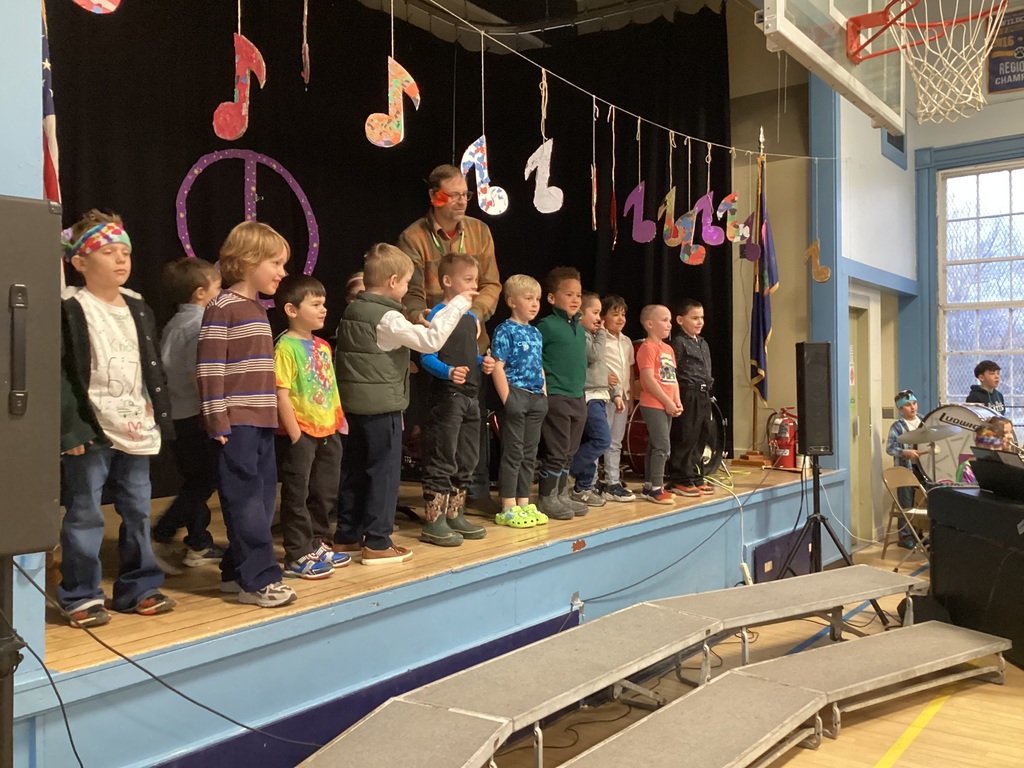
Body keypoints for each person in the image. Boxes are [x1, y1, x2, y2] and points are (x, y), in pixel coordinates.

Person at [59, 209, 176, 627]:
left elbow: (150, 365)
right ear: (80, 261)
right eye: (108, 252)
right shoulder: (71, 307)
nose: (121, 259)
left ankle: (138, 588)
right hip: (92, 429)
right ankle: (81, 593)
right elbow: (59, 371)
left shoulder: (138, 306)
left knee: (138, 509)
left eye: (125, 251)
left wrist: (158, 413)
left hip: (136, 426)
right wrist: (70, 428)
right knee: (85, 512)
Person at [334, 244, 476, 564]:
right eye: (407, 284)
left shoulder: (354, 310)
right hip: (381, 409)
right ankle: (378, 542)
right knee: (383, 475)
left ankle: (347, 535)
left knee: (354, 471)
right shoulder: (387, 317)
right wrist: (458, 303)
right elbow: (431, 341)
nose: (407, 290)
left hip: (353, 408)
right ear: (393, 281)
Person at [197, 221, 295, 609]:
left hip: (260, 420)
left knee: (262, 499)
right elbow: (210, 367)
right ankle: (259, 579)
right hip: (237, 422)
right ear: (249, 260)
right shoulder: (222, 307)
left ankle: (236, 570)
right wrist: (216, 417)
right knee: (247, 502)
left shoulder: (256, 308)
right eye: (276, 263)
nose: (282, 272)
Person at [398, 164, 502, 513]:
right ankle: (437, 502)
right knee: (442, 426)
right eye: (453, 195)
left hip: (471, 341)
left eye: (465, 195)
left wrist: (476, 314)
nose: (461, 201)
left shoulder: (480, 231)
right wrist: (421, 317)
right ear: (434, 196)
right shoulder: (414, 237)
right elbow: (411, 292)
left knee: (474, 420)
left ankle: (473, 492)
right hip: (437, 345)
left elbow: (492, 283)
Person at [152, 257, 225, 571]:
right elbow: (199, 374)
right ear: (200, 293)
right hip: (194, 415)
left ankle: (198, 543)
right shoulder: (198, 324)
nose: (220, 294)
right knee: (205, 479)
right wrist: (214, 410)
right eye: (217, 288)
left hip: (177, 414)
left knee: (196, 479)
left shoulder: (175, 323)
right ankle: (163, 530)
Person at [274, 274, 349, 579]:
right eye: (315, 304)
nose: (323, 309)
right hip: (302, 430)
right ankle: (296, 552)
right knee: (298, 493)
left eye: (324, 304)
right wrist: (295, 433)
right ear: (292, 310)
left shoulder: (323, 346)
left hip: (328, 429)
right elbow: (280, 391)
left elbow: (330, 386)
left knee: (324, 491)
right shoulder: (285, 346)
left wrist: (338, 420)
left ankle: (318, 542)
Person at [418, 253, 495, 546]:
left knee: (467, 457)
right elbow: (427, 356)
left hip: (471, 396)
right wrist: (448, 371)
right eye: (468, 280)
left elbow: (469, 353)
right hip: (447, 397)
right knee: (443, 455)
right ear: (447, 281)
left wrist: (482, 362)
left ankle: (455, 514)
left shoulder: (470, 318)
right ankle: (433, 521)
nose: (474, 286)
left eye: (476, 280)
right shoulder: (437, 314)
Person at [491, 275, 549, 528]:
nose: (535, 304)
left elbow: (539, 366)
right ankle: (508, 505)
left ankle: (524, 502)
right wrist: (508, 399)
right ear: (512, 302)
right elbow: (498, 366)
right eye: (529, 298)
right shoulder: (505, 330)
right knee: (513, 453)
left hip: (536, 398)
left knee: (529, 454)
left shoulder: (536, 332)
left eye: (537, 299)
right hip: (516, 394)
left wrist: (544, 395)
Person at [536, 267, 589, 520]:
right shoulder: (546, 325)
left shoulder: (580, 328)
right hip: (557, 395)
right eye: (569, 294)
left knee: (569, 451)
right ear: (551, 298)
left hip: (578, 395)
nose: (576, 299)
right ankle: (547, 497)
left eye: (578, 295)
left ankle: (561, 494)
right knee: (557, 451)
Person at [666, 299, 715, 498]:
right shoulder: (679, 342)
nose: (700, 322)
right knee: (686, 435)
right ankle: (680, 478)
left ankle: (695, 474)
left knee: (701, 435)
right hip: (688, 392)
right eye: (694, 318)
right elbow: (673, 369)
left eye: (701, 317)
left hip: (703, 393)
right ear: (680, 320)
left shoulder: (702, 342)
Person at [569, 291, 612, 508]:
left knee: (589, 442)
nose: (599, 318)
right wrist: (602, 333)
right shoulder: (583, 335)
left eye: (600, 313)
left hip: (600, 395)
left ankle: (583, 487)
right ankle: (566, 471)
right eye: (595, 313)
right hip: (589, 396)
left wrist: (614, 393)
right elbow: (594, 356)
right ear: (580, 313)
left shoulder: (591, 336)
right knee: (602, 439)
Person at [636, 305, 682, 504]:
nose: (669, 324)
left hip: (667, 404)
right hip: (653, 404)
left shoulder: (668, 349)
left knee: (655, 445)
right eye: (664, 320)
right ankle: (657, 488)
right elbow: (648, 380)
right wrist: (666, 401)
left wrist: (676, 400)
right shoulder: (647, 347)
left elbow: (673, 378)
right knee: (663, 446)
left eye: (669, 320)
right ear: (649, 324)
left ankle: (649, 485)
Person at [599, 295, 635, 503]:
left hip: (623, 397)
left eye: (623, 314)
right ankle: (591, 482)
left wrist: (631, 396)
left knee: (615, 442)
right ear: (603, 316)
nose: (621, 319)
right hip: (604, 397)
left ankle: (613, 481)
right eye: (615, 314)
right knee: (599, 440)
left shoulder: (626, 341)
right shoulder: (600, 338)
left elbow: (630, 369)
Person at [885, 389, 926, 548]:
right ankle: (905, 536)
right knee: (906, 502)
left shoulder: (923, 421)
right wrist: (904, 452)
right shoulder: (897, 426)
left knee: (921, 501)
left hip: (923, 468)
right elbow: (890, 448)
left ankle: (919, 533)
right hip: (906, 469)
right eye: (908, 405)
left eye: (914, 403)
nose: (913, 407)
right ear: (900, 409)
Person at [955, 417, 1014, 484]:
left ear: (1001, 446)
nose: (991, 449)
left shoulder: (1008, 465)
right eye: (986, 445)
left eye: (996, 446)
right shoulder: (968, 467)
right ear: (977, 444)